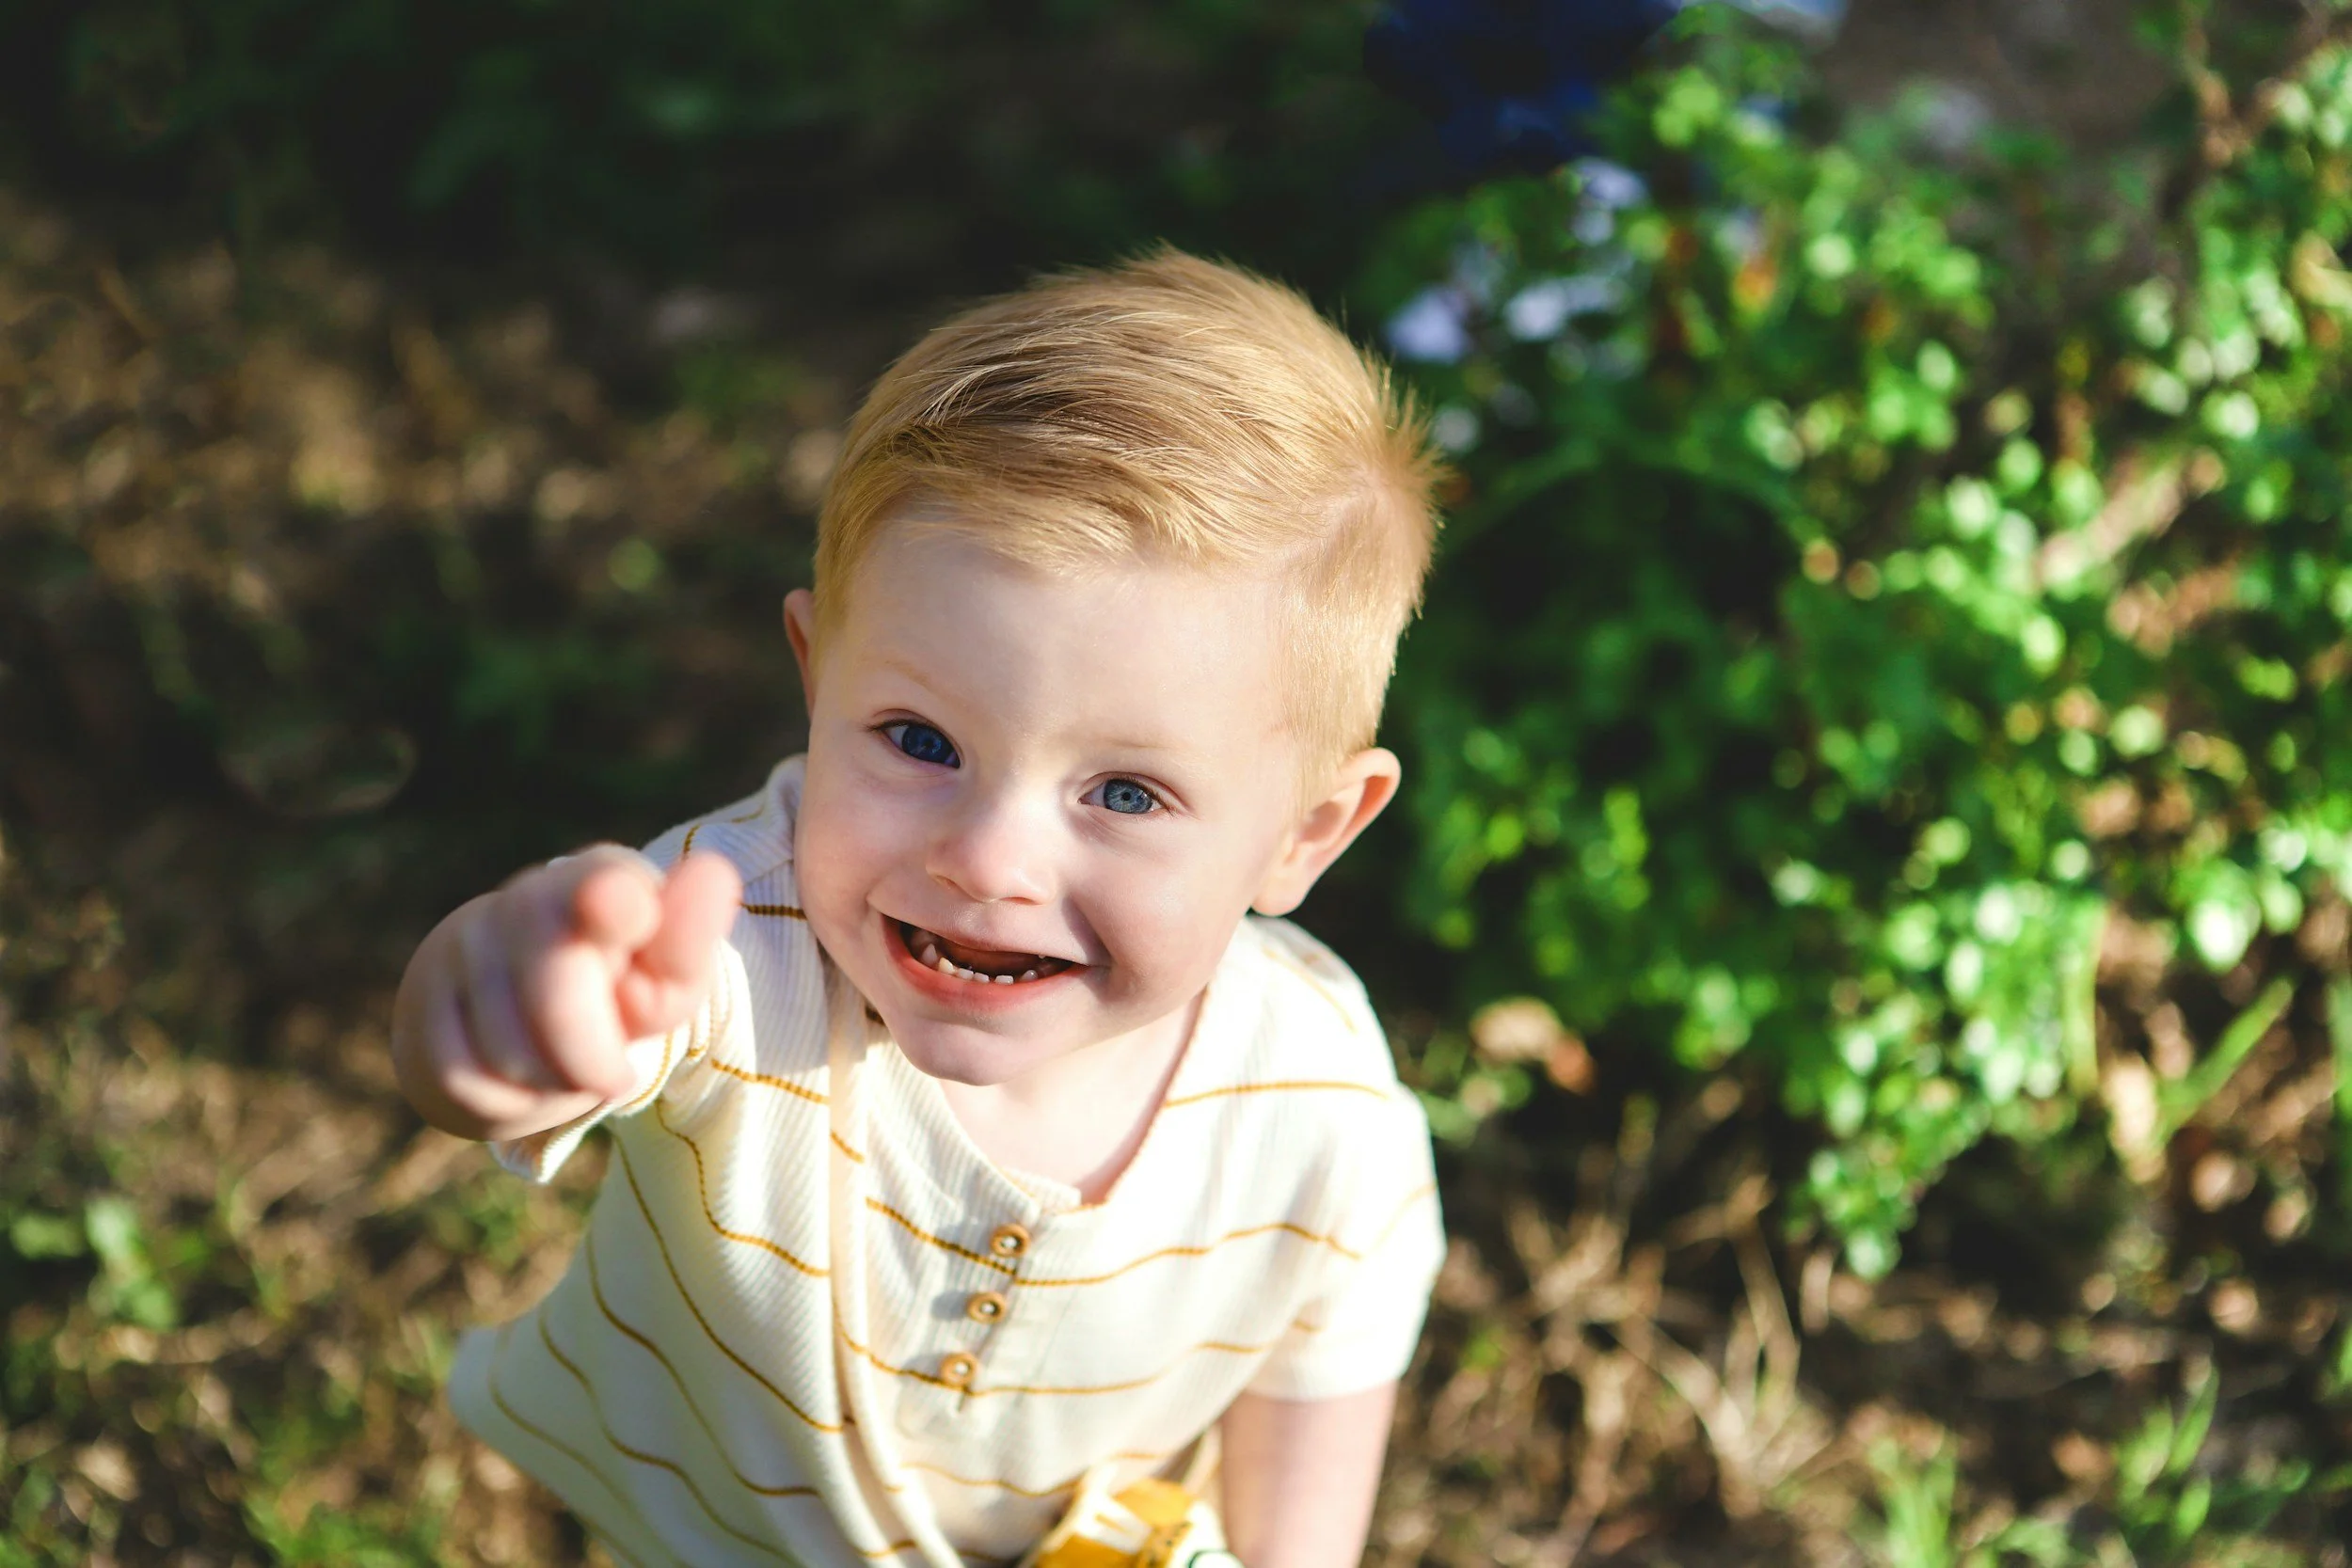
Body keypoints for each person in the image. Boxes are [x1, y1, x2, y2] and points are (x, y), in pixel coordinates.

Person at [389, 249, 1448, 1568]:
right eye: (920, 739)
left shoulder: (1322, 1116)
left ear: (1305, 833)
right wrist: (506, 1007)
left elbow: (1312, 1440)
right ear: (815, 673)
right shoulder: (737, 943)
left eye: (1123, 791)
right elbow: (530, 1058)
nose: (989, 858)